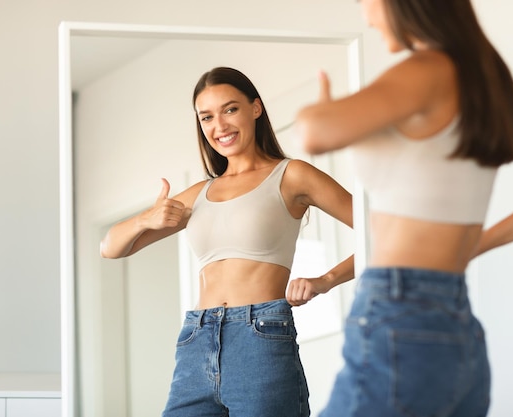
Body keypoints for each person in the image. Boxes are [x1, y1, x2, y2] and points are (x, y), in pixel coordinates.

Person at [293, 1, 513, 416]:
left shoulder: (426, 69)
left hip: (400, 311)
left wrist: (321, 108)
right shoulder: (491, 87)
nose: (365, 15)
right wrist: (478, 243)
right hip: (455, 325)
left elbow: (315, 133)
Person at [100, 66, 355, 417]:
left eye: (230, 109)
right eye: (206, 117)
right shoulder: (200, 193)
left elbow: (383, 233)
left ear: (255, 108)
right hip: (196, 338)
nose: (219, 126)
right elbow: (110, 248)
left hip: (260, 338)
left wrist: (325, 281)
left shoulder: (291, 175)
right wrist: (147, 218)